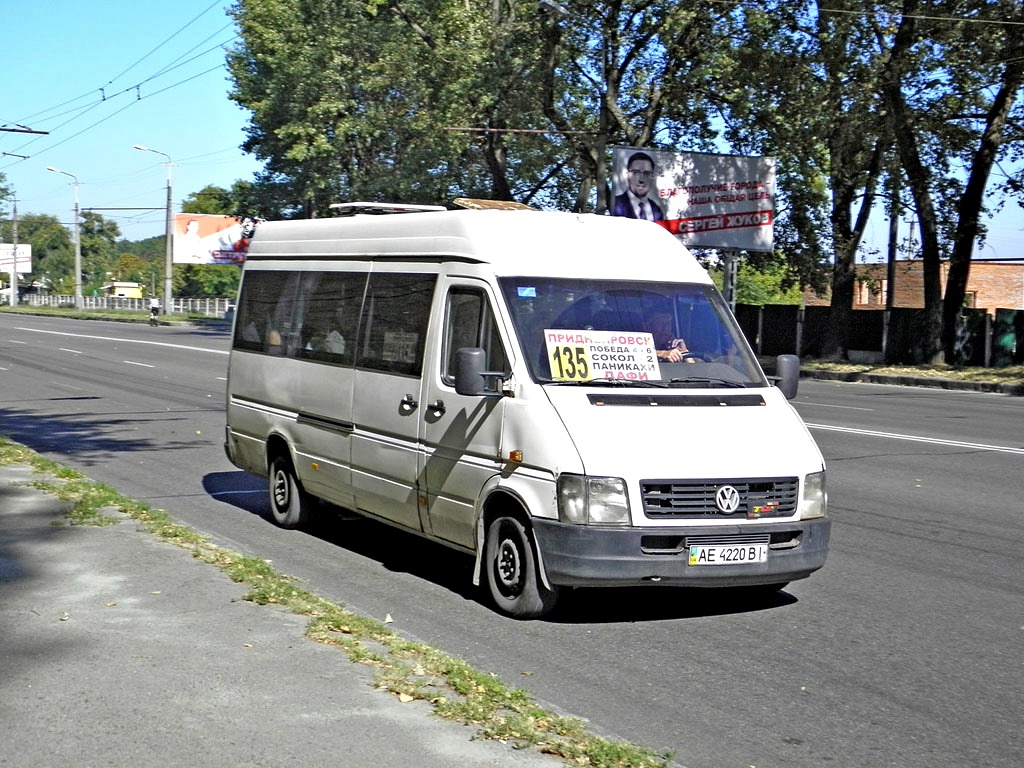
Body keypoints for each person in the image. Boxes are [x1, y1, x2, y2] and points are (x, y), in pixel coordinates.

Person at [612, 151, 665, 221]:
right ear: (628, 175)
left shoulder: (656, 209)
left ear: (652, 177)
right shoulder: (615, 204)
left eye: (647, 173)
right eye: (636, 173)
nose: (641, 179)